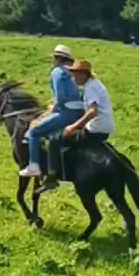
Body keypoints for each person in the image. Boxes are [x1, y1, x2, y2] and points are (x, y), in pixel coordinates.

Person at [41, 59, 115, 190]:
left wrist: (73, 126)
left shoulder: (91, 88)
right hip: (104, 128)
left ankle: (52, 177)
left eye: (75, 74)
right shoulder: (94, 84)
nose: (73, 78)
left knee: (54, 138)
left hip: (95, 130)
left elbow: (92, 112)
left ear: (84, 74)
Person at [20, 45, 85, 178]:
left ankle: (34, 166)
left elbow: (60, 97)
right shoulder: (72, 72)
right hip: (79, 111)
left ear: (57, 58)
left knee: (33, 132)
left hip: (66, 112)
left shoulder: (57, 72)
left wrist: (52, 109)